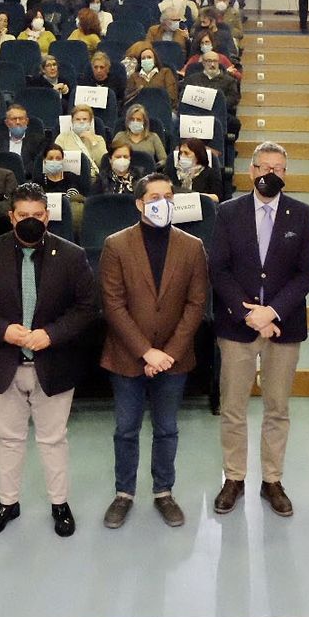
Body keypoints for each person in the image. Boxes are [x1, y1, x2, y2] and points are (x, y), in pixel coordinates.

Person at [0, 182, 98, 539]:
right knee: (7, 439)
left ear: (48, 216)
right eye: (23, 215)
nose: (30, 221)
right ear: (11, 217)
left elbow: (87, 309)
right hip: (2, 362)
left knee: (53, 439)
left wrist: (51, 333)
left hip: (53, 364)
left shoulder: (71, 255)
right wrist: (3, 330)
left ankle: (60, 503)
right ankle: (8, 502)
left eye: (37, 215)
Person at [208, 142, 309, 517]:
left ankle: (272, 479)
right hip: (237, 326)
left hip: (283, 328)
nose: (270, 173)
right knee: (233, 408)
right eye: (264, 167)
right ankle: (234, 477)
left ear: (285, 173)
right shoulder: (227, 212)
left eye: (279, 168)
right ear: (252, 170)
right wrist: (248, 315)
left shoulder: (302, 215)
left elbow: (306, 273)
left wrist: (272, 312)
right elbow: (218, 270)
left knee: (277, 408)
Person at [98, 175, 209, 529]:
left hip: (174, 359)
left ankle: (163, 491)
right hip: (127, 355)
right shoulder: (116, 245)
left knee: (167, 429)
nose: (163, 202)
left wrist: (168, 354)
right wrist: (147, 352)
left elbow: (196, 305)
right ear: (139, 203)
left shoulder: (192, 246)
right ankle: (124, 493)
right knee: (126, 429)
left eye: (168, 196)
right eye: (154, 196)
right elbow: (113, 306)